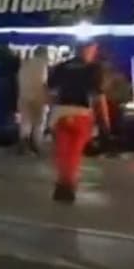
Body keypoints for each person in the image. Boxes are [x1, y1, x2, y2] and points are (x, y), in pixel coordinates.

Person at [47, 42, 110, 203]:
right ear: (89, 50)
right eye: (94, 49)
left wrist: (51, 113)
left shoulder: (61, 67)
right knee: (74, 153)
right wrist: (105, 122)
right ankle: (68, 186)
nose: (94, 52)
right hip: (81, 114)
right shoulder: (93, 69)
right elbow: (99, 97)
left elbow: (51, 93)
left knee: (63, 152)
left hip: (61, 113)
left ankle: (61, 185)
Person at [17, 46, 49, 155]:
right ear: (44, 54)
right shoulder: (43, 65)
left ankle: (23, 145)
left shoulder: (25, 64)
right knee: (39, 123)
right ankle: (36, 145)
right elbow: (45, 83)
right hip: (38, 97)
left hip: (24, 96)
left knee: (25, 122)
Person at [0, 42, 21, 143]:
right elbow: (19, 67)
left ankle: (1, 134)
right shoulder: (12, 59)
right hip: (10, 86)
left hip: (1, 87)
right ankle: (9, 135)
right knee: (10, 112)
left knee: (3, 112)